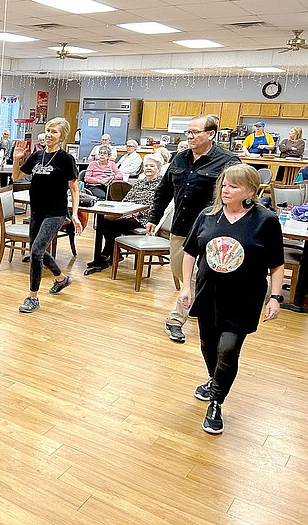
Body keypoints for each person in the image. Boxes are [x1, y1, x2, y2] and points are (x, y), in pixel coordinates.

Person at [178, 165, 284, 434]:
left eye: (234, 186)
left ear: (251, 190)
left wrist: (275, 297)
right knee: (208, 344)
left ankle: (216, 401)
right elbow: (190, 252)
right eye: (224, 185)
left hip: (244, 297)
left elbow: (276, 263)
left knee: (228, 349)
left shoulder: (265, 220)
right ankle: (216, 381)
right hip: (208, 292)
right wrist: (185, 287)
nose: (226, 190)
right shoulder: (208, 215)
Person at [146, 114, 240, 343]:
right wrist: (154, 217)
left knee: (199, 276)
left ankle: (175, 319)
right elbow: (164, 191)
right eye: (188, 132)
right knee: (180, 272)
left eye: (195, 132)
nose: (190, 136)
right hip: (181, 227)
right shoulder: (179, 159)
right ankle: (202, 303)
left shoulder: (228, 161)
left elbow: (240, 194)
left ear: (211, 134)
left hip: (213, 231)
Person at [12, 117, 83, 314]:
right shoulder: (36, 156)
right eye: (48, 131)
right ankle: (61, 279)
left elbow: (74, 189)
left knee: (35, 251)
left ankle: (32, 297)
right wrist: (17, 158)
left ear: (62, 136)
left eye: (54, 132)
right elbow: (16, 176)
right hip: (37, 211)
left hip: (56, 212)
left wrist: (74, 215)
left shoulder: (65, 159)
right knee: (38, 250)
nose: (49, 135)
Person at [85, 154, 163, 273]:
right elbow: (127, 199)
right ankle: (112, 253)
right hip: (129, 214)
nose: (148, 168)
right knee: (103, 221)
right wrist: (124, 209)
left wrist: (137, 213)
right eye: (146, 165)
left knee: (113, 225)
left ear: (158, 168)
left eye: (152, 166)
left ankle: (106, 254)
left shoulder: (161, 185)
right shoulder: (139, 182)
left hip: (145, 220)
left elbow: (157, 205)